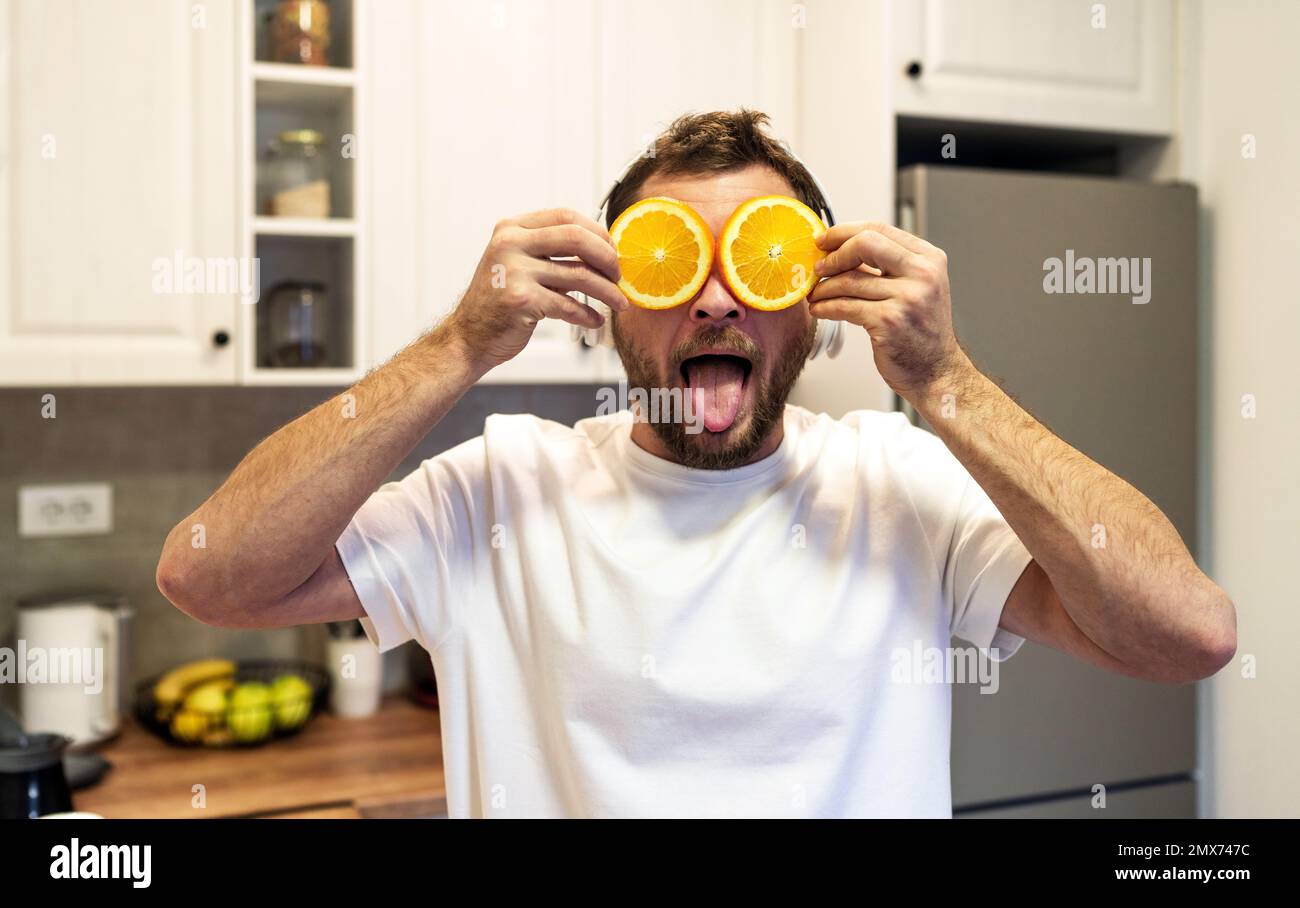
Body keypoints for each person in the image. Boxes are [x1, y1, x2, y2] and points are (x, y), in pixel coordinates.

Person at [156, 110, 1236, 818]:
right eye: (673, 260)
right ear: (606, 303)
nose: (715, 296)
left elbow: (1187, 633)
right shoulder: (500, 487)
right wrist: (459, 345)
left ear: (812, 307)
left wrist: (947, 382)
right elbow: (209, 574)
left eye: (753, 260)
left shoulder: (894, 482)